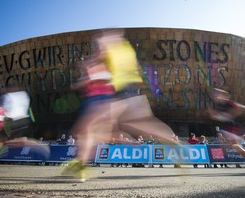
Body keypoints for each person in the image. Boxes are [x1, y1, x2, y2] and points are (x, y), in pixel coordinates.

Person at [64, 29, 179, 181]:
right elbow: (136, 68)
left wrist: (88, 69)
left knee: (90, 129)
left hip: (118, 92)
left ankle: (81, 166)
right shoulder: (126, 49)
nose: (99, 42)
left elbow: (102, 61)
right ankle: (171, 141)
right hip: (127, 89)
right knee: (133, 124)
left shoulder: (110, 45)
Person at [208, 88, 245, 173]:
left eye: (217, 94)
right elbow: (218, 117)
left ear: (223, 96)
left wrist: (230, 115)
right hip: (226, 128)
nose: (215, 95)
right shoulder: (218, 105)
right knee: (234, 146)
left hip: (230, 128)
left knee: (235, 145)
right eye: (215, 94)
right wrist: (213, 115)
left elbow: (243, 108)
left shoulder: (228, 103)